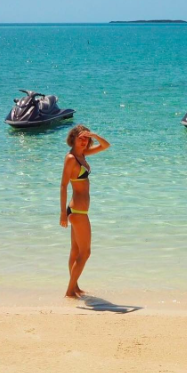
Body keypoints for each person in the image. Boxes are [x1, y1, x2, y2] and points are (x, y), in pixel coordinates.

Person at [60, 124, 110, 298]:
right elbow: (63, 185)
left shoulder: (82, 155)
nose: (84, 141)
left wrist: (94, 134)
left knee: (75, 251)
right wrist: (61, 214)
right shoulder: (71, 158)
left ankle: (75, 287)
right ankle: (69, 291)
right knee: (85, 253)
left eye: (86, 139)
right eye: (81, 137)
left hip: (78, 211)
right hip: (77, 212)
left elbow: (105, 146)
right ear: (72, 138)